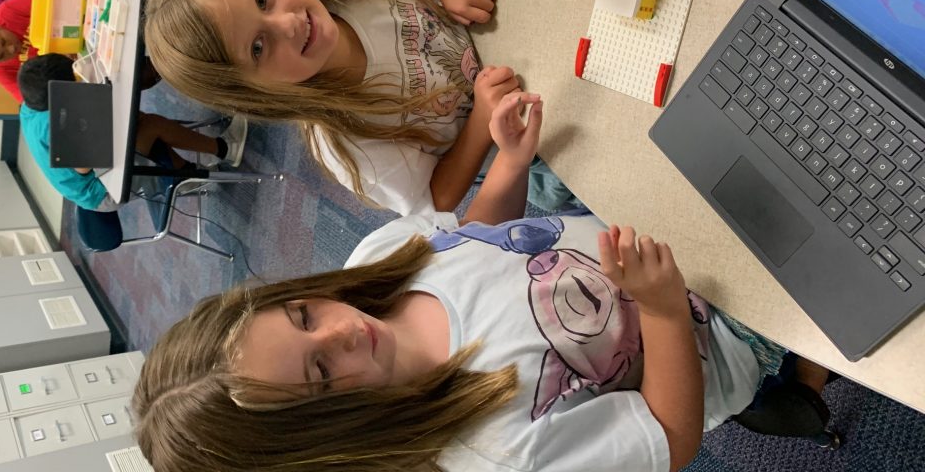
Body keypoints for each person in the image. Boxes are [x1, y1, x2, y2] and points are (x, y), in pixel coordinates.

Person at [130, 91, 787, 472]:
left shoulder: (371, 267)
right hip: (715, 330)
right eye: (322, 374)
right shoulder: (498, 454)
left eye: (304, 316)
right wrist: (664, 310)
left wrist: (510, 165)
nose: (343, 332)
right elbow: (670, 436)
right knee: (791, 174)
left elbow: (474, 241)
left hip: (624, 233)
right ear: (326, 443)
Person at [144, 0, 576, 215]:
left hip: (507, 33)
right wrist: (481, 122)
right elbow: (436, 197)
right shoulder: (351, 147)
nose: (288, 23)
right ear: (256, 94)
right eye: (258, 47)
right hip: (528, 143)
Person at [17, 54, 247, 211]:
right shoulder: (53, 124)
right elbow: (83, 166)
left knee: (133, 119)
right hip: (101, 190)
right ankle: (226, 149)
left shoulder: (32, 104)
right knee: (149, 126)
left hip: (94, 174)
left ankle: (185, 175)